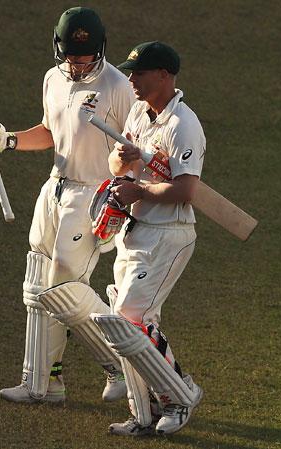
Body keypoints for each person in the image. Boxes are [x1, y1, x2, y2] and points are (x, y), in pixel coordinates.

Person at [0, 7, 135, 404]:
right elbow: (50, 132)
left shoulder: (118, 86)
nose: (78, 64)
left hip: (93, 194)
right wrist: (6, 141)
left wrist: (125, 195)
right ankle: (43, 383)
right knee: (38, 284)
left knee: (64, 288)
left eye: (86, 56)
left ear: (101, 48)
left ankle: (121, 365)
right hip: (55, 188)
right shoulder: (52, 79)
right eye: (72, 57)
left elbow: (135, 148)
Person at [90, 41, 206, 436]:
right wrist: (121, 164)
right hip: (134, 231)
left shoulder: (183, 125)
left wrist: (139, 192)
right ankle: (143, 414)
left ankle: (180, 394)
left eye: (139, 73)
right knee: (129, 324)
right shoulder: (141, 111)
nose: (131, 80)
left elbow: (185, 190)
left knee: (130, 320)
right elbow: (117, 162)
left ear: (164, 75)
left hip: (169, 235)